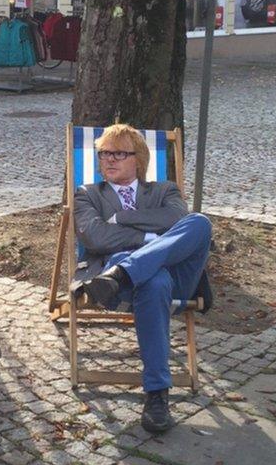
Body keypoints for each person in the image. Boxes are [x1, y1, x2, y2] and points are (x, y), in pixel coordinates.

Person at [71, 124, 211, 434]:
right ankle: (157, 395)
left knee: (199, 223)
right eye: (105, 153)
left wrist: (121, 219)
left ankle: (123, 275)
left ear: (140, 159)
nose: (109, 160)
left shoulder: (165, 191)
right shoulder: (88, 194)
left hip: (162, 277)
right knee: (155, 280)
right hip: (128, 276)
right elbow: (95, 237)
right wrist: (155, 237)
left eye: (119, 153)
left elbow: (177, 220)